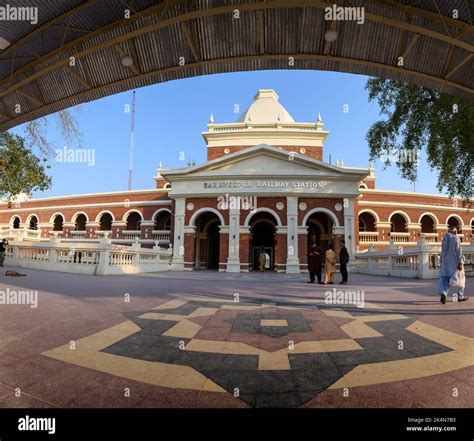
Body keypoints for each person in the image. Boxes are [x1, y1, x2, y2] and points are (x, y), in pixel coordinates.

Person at [438, 226, 468, 304]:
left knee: (444, 279)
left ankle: (444, 293)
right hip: (454, 263)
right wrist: (460, 262)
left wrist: (441, 262)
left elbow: (442, 252)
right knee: (461, 278)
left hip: (445, 264)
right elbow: (459, 251)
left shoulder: (444, 239)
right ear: (455, 232)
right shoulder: (456, 238)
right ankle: (460, 296)